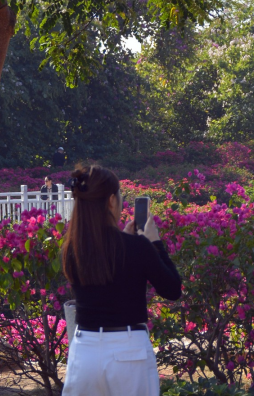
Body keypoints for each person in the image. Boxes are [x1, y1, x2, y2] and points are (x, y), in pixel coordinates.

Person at [61, 164, 182, 396]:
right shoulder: (137, 247)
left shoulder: (72, 249)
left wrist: (129, 242)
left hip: (84, 352)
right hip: (129, 353)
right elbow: (172, 289)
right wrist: (154, 243)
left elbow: (107, 267)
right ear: (110, 201)